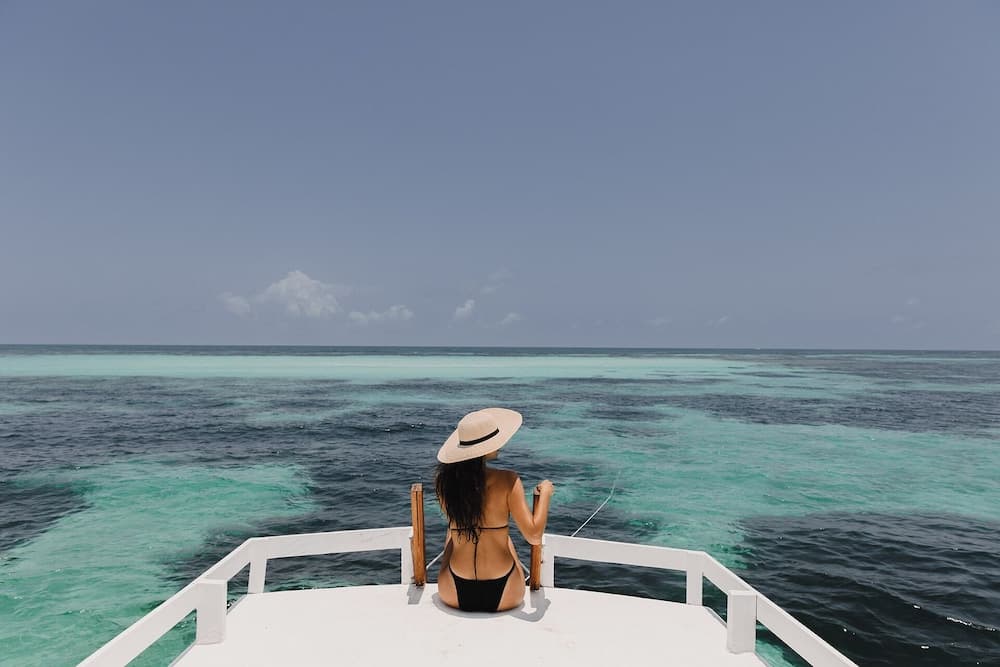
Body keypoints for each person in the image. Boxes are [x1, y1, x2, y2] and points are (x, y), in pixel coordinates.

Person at [434, 408, 554, 612]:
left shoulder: (443, 483)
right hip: (506, 591)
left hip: (452, 591)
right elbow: (534, 536)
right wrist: (545, 494)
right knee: (504, 537)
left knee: (453, 532)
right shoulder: (508, 480)